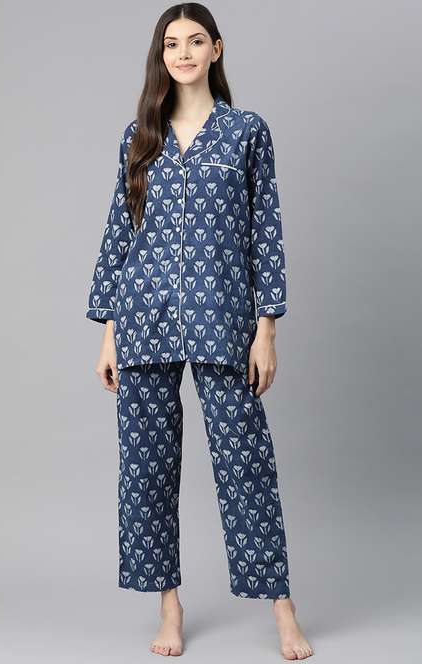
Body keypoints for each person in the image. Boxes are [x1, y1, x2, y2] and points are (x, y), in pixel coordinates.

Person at [85, 2, 313, 660]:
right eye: (171, 43)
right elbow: (119, 234)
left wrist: (267, 329)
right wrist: (107, 332)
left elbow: (266, 232)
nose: (182, 53)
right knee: (147, 469)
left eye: (194, 41)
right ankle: (170, 607)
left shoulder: (246, 132)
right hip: (144, 319)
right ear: (161, 55)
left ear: (216, 48)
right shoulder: (139, 136)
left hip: (223, 317)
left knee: (247, 466)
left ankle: (283, 609)